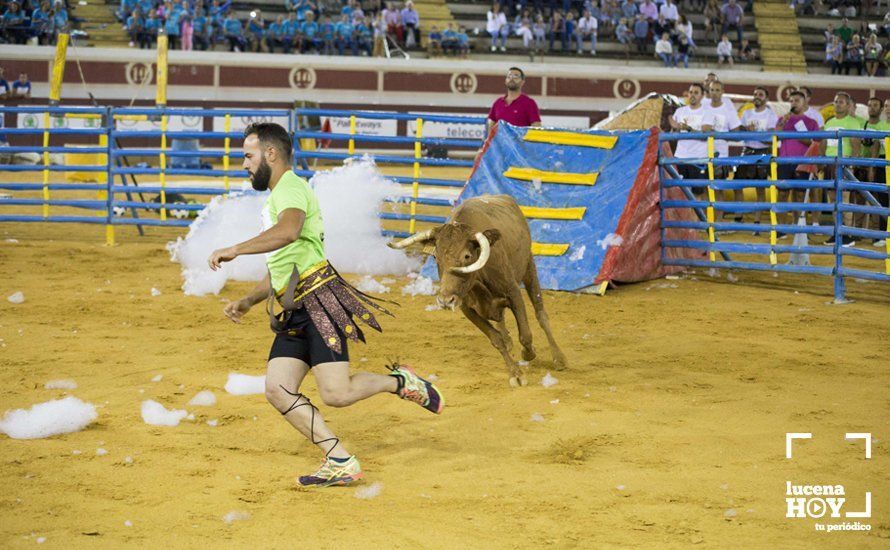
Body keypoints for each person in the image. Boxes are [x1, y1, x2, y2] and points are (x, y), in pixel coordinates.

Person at [208, 123, 443, 488]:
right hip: (295, 309)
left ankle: (399, 383)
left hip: (319, 302)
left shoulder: (291, 189)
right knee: (277, 388)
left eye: (248, 156)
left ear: (271, 154)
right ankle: (339, 459)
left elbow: (287, 232)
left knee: (337, 394)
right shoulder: (278, 197)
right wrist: (248, 300)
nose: (244, 164)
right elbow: (285, 263)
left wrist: (234, 249)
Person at [821, 92, 863, 247]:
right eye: (836, 101)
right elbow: (824, 143)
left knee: (844, 200)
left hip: (844, 163)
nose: (837, 104)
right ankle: (837, 232)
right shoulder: (829, 122)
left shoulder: (852, 122)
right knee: (833, 200)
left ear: (848, 105)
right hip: (829, 163)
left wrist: (851, 164)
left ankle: (848, 234)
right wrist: (821, 161)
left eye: (841, 102)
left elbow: (856, 146)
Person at [476, 67, 542, 163]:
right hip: (500, 153)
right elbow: (490, 129)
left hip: (520, 154)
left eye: (516, 76)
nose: (511, 78)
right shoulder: (498, 103)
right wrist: (483, 148)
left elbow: (537, 129)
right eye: (509, 76)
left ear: (522, 82)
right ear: (505, 80)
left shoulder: (529, 103)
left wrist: (530, 151)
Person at [776, 90, 819, 227]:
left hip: (803, 162)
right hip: (784, 161)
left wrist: (799, 134)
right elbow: (775, 137)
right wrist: (782, 124)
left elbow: (814, 143)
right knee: (782, 194)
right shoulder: (782, 119)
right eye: (791, 101)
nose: (793, 103)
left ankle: (799, 224)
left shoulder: (811, 122)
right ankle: (781, 227)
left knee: (800, 195)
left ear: (804, 102)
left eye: (797, 101)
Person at [738, 87, 778, 230]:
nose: (757, 96)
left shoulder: (771, 115)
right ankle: (739, 217)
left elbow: (771, 139)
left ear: (766, 98)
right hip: (747, 150)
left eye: (760, 94)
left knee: (760, 188)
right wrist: (746, 131)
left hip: (763, 152)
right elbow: (739, 134)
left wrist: (753, 134)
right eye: (755, 94)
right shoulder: (746, 113)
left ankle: (757, 221)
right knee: (737, 184)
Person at [669, 82, 711, 194]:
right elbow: (673, 134)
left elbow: (705, 135)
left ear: (702, 95)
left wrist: (688, 128)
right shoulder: (680, 111)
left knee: (698, 193)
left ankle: (699, 212)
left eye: (696, 93)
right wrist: (674, 128)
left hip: (699, 159)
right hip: (680, 157)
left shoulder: (707, 112)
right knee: (681, 193)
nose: (692, 95)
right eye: (691, 92)